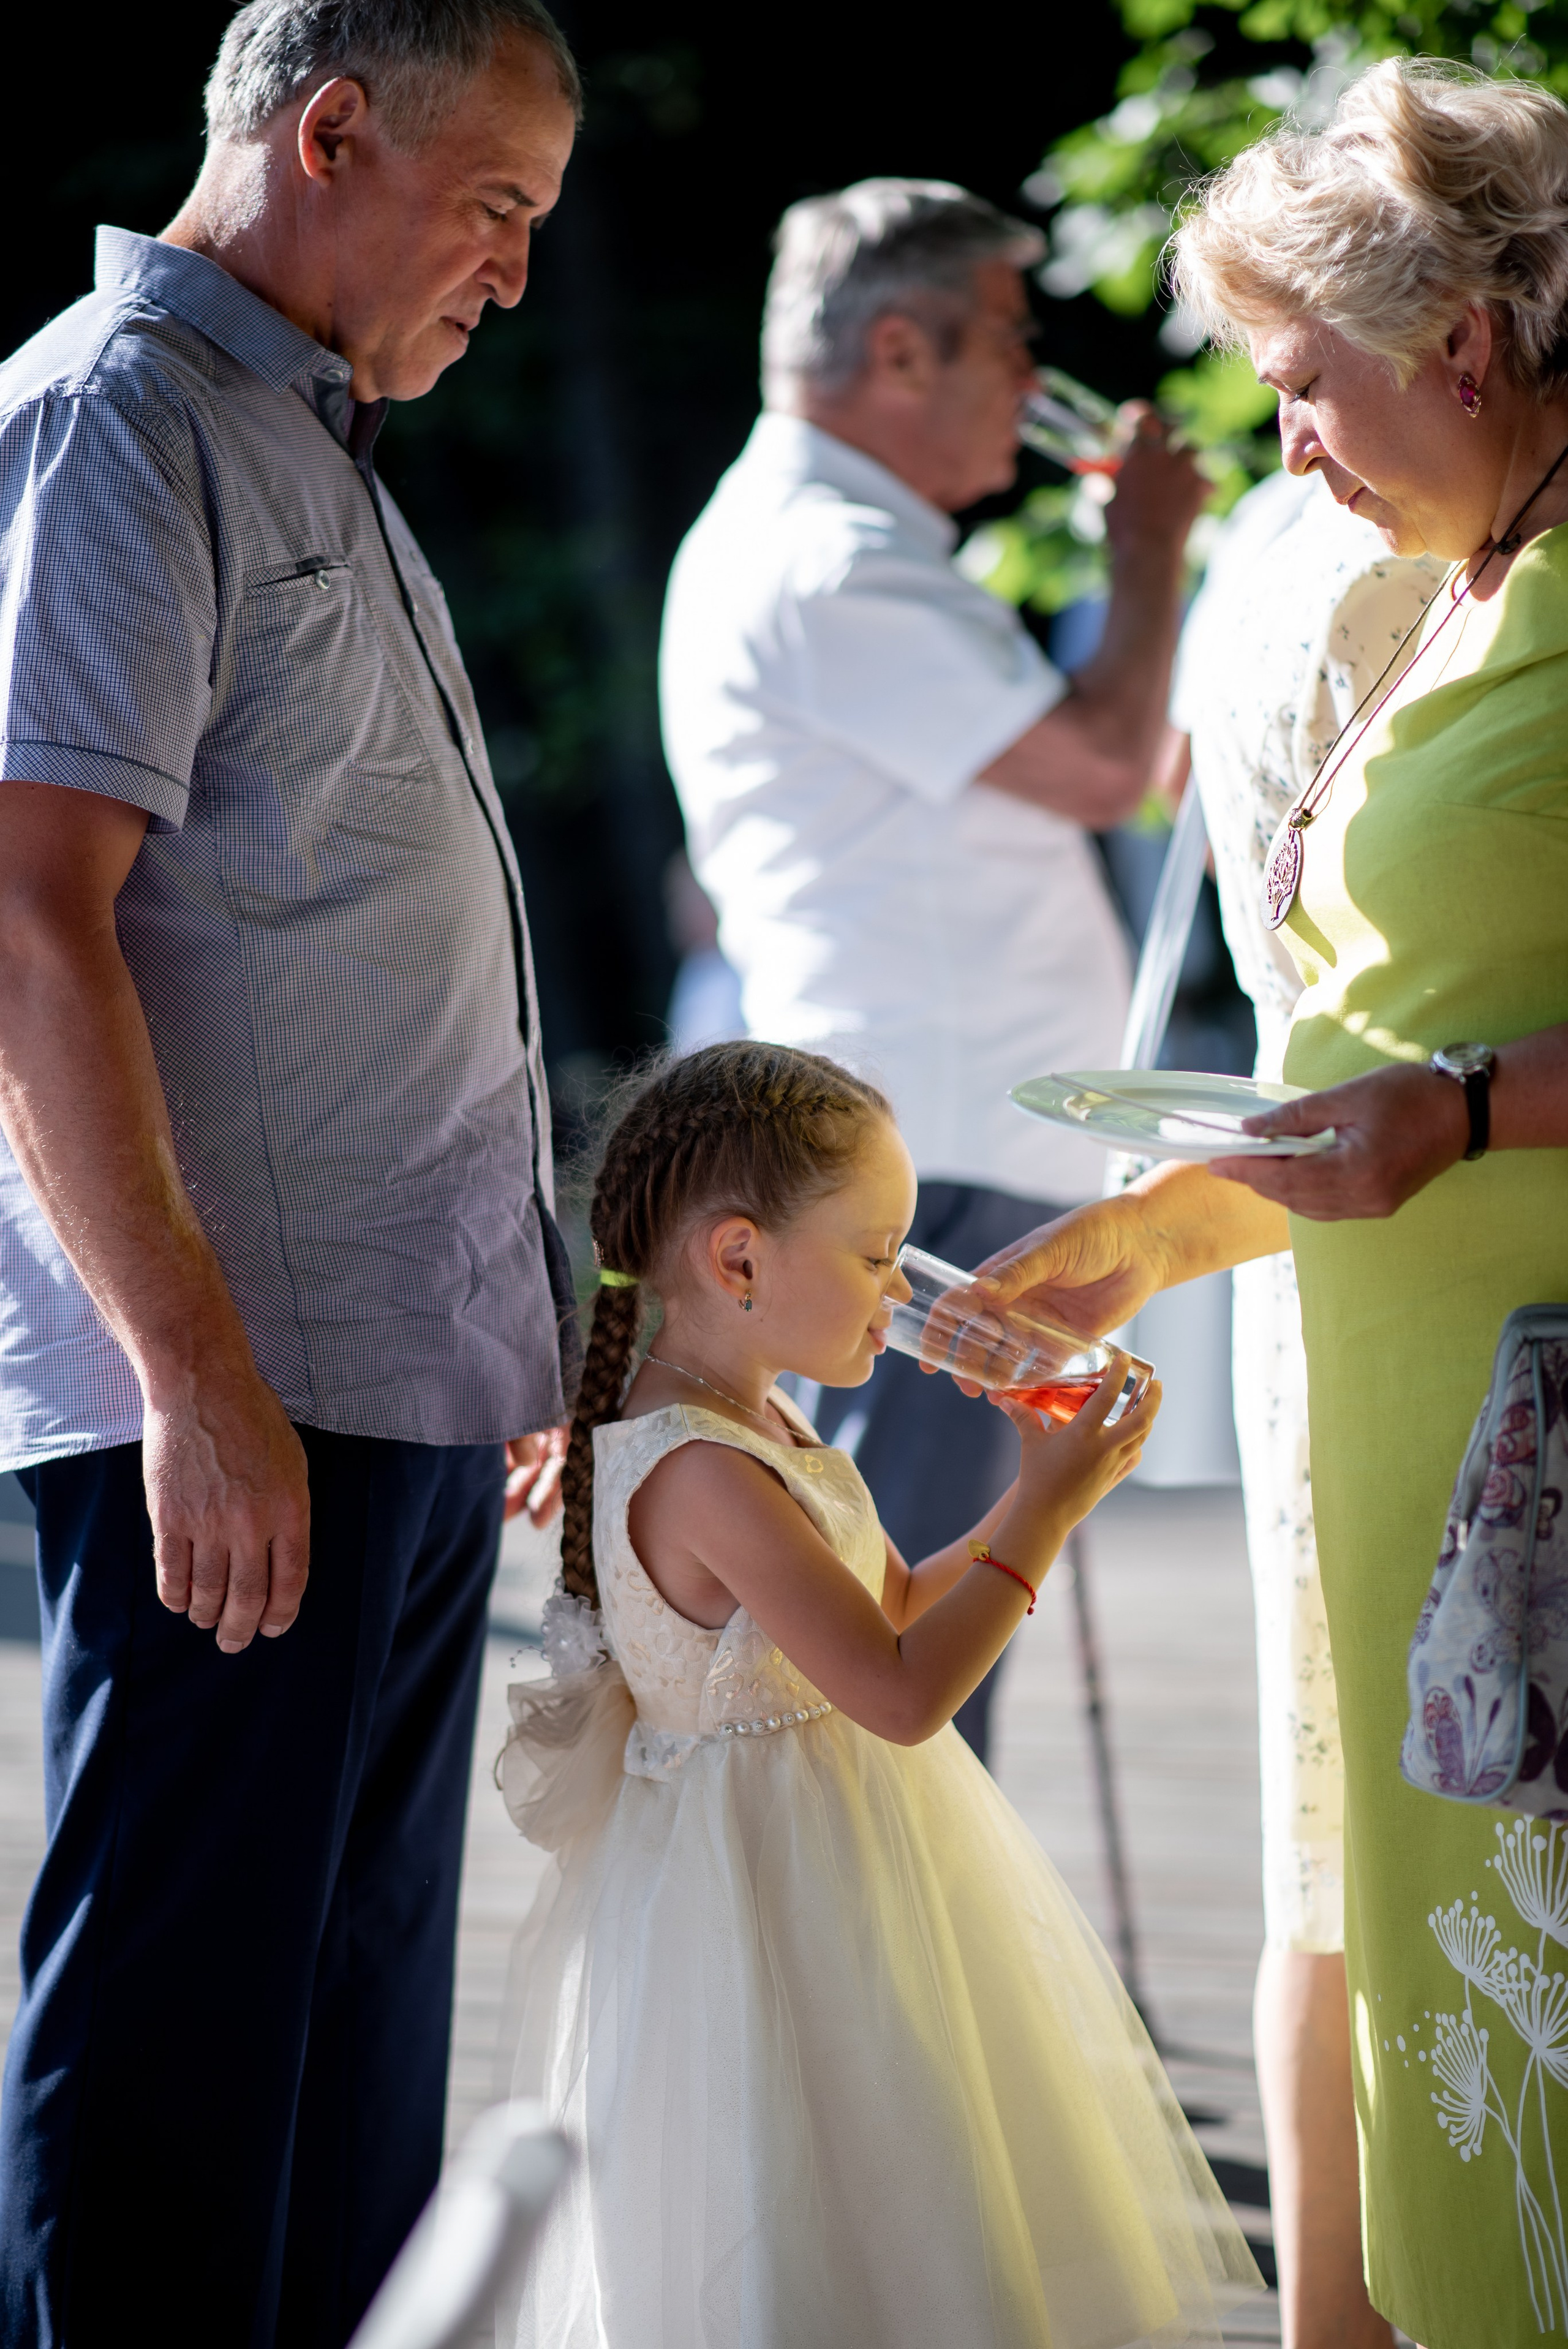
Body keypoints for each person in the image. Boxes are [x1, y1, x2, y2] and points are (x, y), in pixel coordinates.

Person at [970, 58, 1568, 2349]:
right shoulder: (1440, 571)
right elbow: (1371, 1075)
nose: (1288, 450)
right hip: (1406, 1441)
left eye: (1308, 388)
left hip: (1538, 1436)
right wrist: (1117, 1242)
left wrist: (1476, 1110)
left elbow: (1445, 1086)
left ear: (1467, 341)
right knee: (1437, 2004)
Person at [0, 3, 581, 2342]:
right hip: (247, 1413)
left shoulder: (299, 428)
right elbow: (30, 911)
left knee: (342, 2088)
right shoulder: (127, 418)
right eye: (500, 207)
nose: (516, 276)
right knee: (177, 2072)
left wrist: (516, 1312)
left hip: (393, 1390)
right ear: (330, 134)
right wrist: (195, 1374)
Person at [495, 1039, 1259, 2348]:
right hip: (762, 1895)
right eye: (876, 1253)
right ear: (738, 1261)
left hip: (835, 1858)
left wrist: (1042, 1486)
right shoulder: (699, 1471)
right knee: (793, 2202)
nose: (899, 1288)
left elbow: (894, 1607)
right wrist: (1047, 1506)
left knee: (893, 2187)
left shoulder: (762, 1423)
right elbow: (902, 1694)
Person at [660, 179, 1206, 1762]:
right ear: (900, 348)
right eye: (1014, 343)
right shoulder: (834, 563)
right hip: (930, 1179)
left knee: (920, 1631)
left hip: (943, 1155)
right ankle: (894, 2002)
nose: (1036, 386)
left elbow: (1123, 755)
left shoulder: (838, 546)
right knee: (900, 1659)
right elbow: (1112, 764)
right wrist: (1153, 547)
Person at [1168, 470, 1440, 2347]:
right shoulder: (1427, 566)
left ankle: (1330, 2317)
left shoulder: (1254, 557)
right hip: (1423, 1209)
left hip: (1296, 1218)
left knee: (1318, 1842)